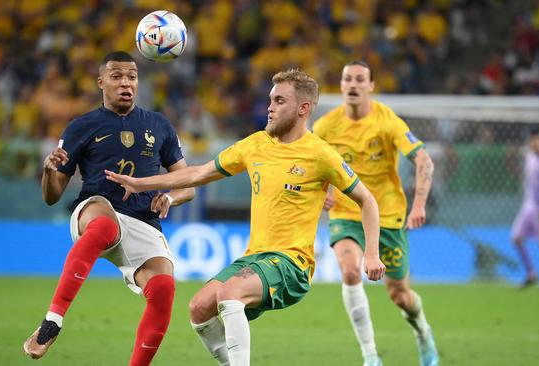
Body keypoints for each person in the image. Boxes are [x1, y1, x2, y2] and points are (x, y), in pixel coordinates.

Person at [105, 69, 387, 366]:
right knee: (199, 308)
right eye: (270, 100)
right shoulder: (255, 144)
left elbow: (367, 200)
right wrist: (141, 183)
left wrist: (370, 254)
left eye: (279, 101)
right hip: (254, 258)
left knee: (229, 294)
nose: (269, 107)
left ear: (303, 108)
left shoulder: (321, 155)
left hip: (292, 264)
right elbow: (198, 173)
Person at [23, 51, 195, 366]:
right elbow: (52, 196)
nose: (125, 83)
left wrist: (170, 198)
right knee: (104, 226)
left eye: (131, 77)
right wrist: (49, 170)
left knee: (164, 288)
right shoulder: (82, 126)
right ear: (101, 82)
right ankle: (53, 320)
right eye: (116, 76)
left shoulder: (158, 125)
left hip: (143, 220)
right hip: (96, 210)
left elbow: (188, 183)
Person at [312, 61, 439, 366]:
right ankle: (370, 356)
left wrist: (419, 204)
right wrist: (322, 193)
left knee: (400, 296)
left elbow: (424, 161)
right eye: (347, 79)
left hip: (388, 216)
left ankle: (422, 331)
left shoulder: (387, 121)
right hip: (347, 214)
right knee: (351, 271)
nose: (353, 85)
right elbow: (310, 167)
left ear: (370, 86)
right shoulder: (326, 126)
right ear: (341, 86)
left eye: (360, 79)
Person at [511, 129, 539, 288]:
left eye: (538, 140)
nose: (535, 143)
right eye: (532, 141)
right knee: (517, 238)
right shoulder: (529, 158)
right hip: (529, 206)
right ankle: (531, 273)